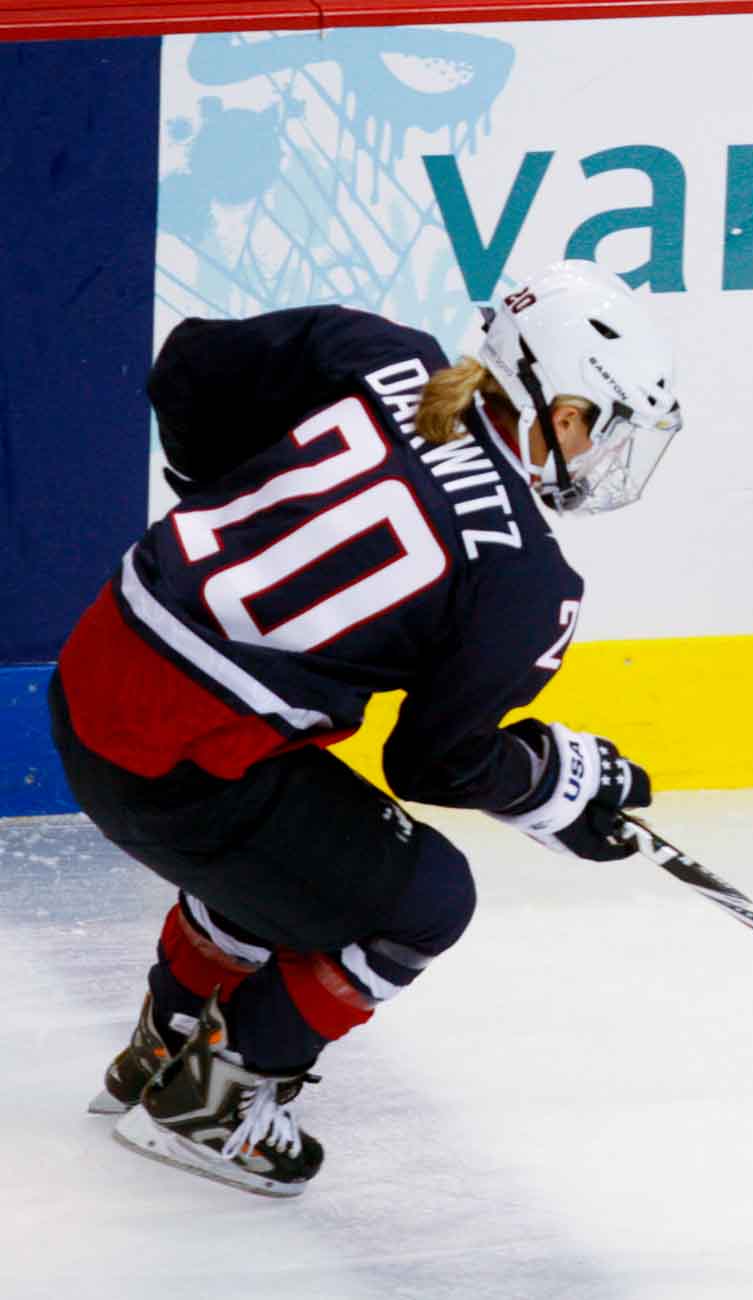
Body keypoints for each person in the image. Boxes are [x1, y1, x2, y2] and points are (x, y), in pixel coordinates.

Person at [49, 260, 681, 1195]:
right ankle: (216, 1101)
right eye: (606, 428)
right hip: (175, 771)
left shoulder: (378, 355)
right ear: (568, 408)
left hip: (90, 673)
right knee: (427, 900)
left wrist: (218, 495)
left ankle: (166, 1042)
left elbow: (185, 368)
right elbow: (437, 761)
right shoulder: (527, 581)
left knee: (293, 828)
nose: (599, 455)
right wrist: (552, 784)